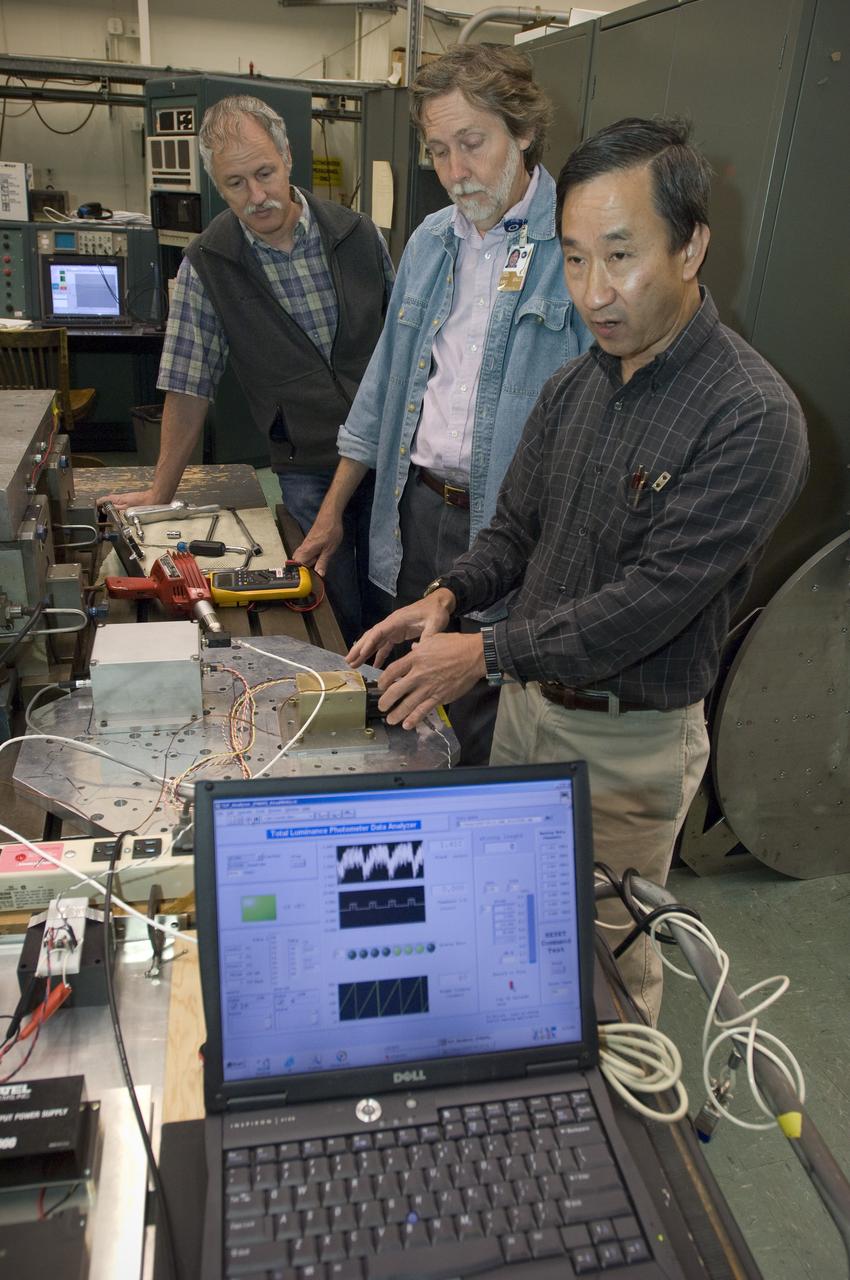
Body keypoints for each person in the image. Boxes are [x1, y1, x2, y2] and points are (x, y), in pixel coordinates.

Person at [346, 117, 809, 1022]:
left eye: (621, 255)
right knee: (510, 935)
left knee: (604, 973)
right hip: (525, 714)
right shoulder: (578, 384)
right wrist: (448, 596)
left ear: (691, 246)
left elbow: (647, 605)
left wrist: (479, 657)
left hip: (626, 749)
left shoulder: (752, 417)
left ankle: (632, 1131)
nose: (595, 292)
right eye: (575, 257)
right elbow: (515, 531)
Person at [292, 46, 591, 761]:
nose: (456, 172)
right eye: (438, 151)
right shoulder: (431, 241)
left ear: (521, 133)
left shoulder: (575, 246)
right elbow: (384, 391)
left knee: (487, 717)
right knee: (407, 709)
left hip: (514, 529)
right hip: (415, 513)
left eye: (473, 143)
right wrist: (334, 511)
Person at [100, 95, 395, 646]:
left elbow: (407, 347)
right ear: (216, 184)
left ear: (287, 158)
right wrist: (161, 492)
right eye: (236, 183)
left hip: (390, 452)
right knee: (334, 604)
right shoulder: (208, 266)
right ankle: (358, 701)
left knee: (396, 590)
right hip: (306, 464)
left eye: (264, 173)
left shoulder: (357, 234)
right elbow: (189, 388)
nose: (257, 196)